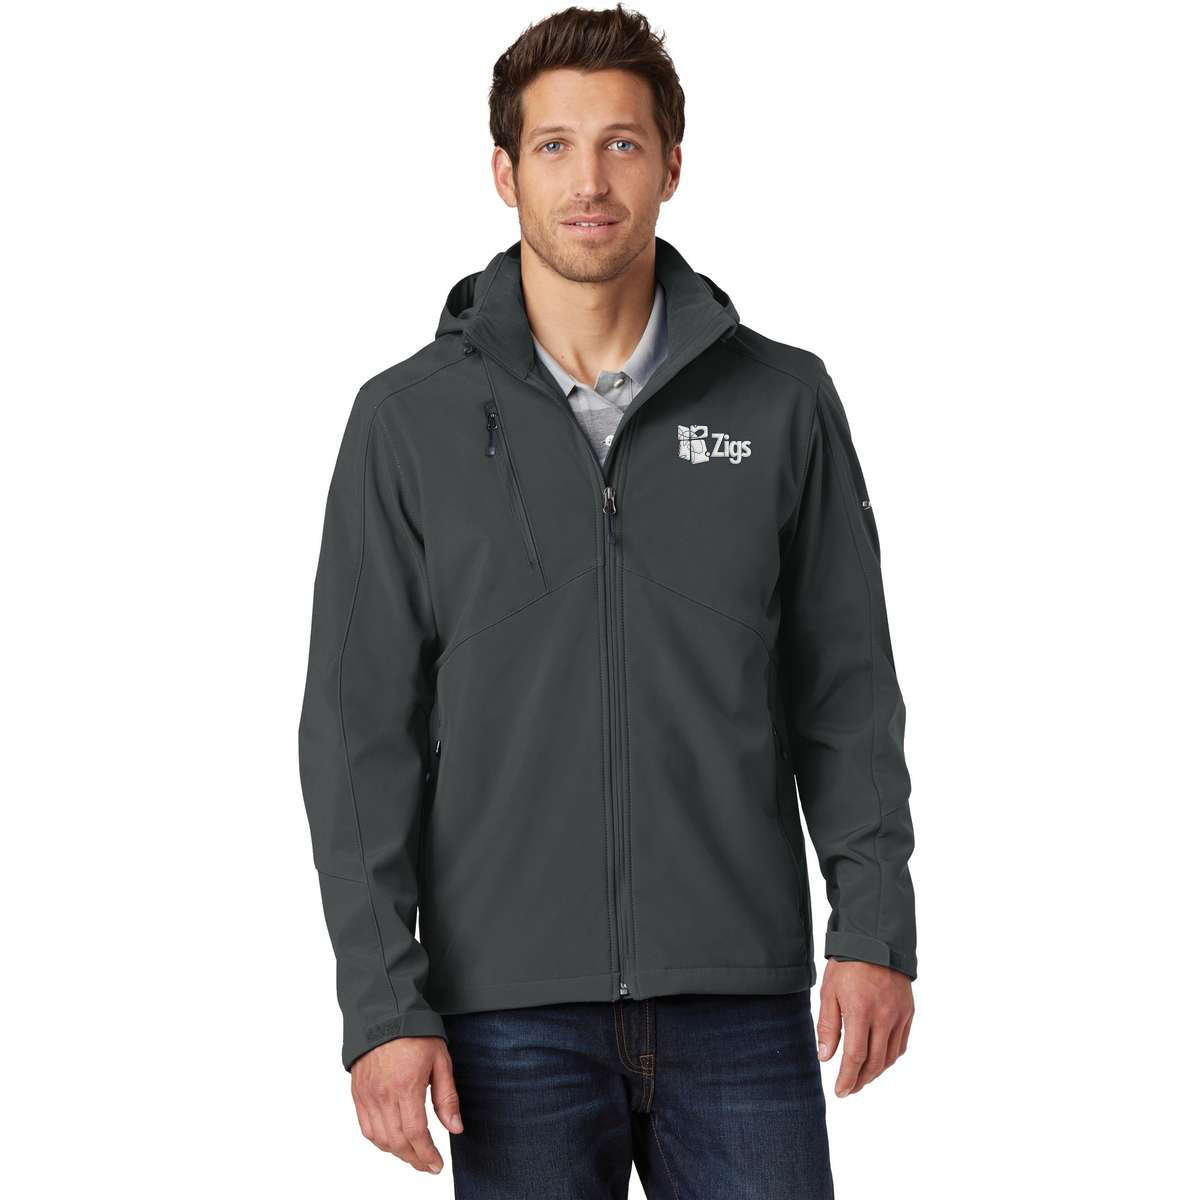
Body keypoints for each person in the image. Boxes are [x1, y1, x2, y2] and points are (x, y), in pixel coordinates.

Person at [298, 6, 917, 1196]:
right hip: (503, 1020)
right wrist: (381, 1006)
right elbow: (355, 732)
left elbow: (846, 686)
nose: (589, 180)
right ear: (504, 172)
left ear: (672, 164)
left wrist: (874, 925)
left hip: (739, 1004)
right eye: (555, 146)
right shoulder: (407, 421)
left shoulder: (782, 401)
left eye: (622, 144)